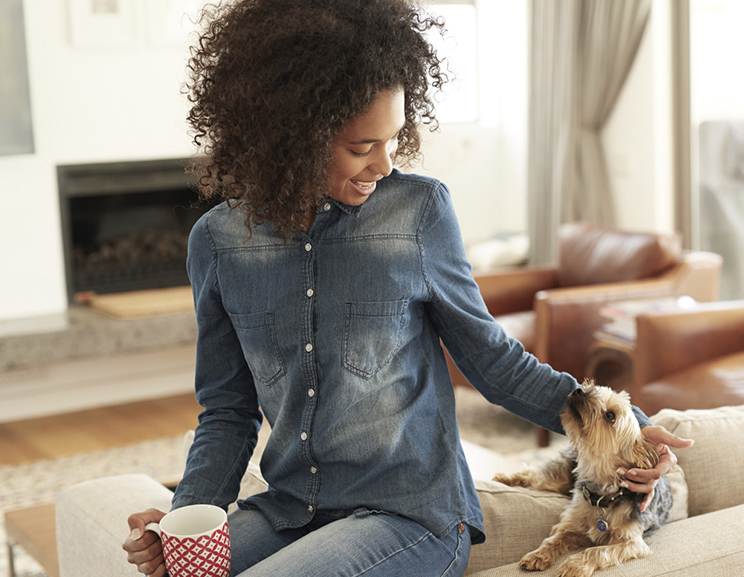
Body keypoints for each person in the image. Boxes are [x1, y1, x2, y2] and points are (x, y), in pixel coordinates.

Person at [122, 1, 692, 575]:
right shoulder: (218, 244)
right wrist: (184, 518)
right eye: (361, 147)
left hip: (408, 517)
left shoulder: (419, 212)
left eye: (393, 138)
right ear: (288, 139)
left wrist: (633, 430)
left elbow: (493, 362)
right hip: (289, 508)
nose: (385, 165)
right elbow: (227, 408)